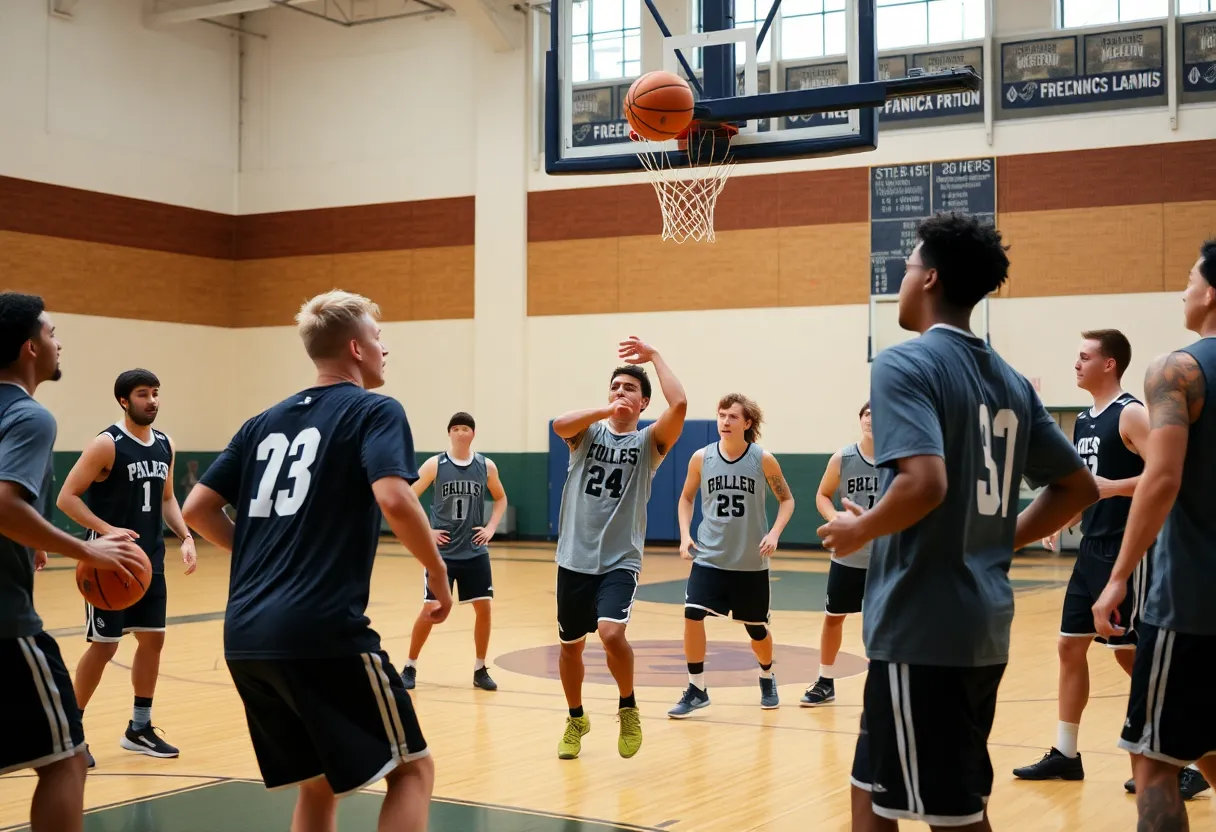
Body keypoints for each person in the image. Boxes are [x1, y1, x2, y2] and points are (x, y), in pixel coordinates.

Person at [818, 213, 1099, 831]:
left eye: (909, 267)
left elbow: (926, 483)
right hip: (969, 624)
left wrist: (860, 530)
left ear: (931, 278)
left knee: (955, 817)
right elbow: (1077, 486)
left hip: (926, 627)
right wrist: (996, 538)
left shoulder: (904, 364)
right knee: (869, 793)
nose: (902, 278)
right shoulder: (1010, 380)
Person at [181, 290, 452, 832]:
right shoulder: (376, 410)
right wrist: (438, 573)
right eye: (378, 338)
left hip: (246, 636)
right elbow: (396, 499)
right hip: (321, 631)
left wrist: (262, 554)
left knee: (318, 781)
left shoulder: (261, 422)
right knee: (413, 771)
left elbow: (197, 508)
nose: (385, 348)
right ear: (356, 348)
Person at [1013, 331, 1209, 798]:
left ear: (1109, 364)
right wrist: (1064, 517)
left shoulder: (1132, 414)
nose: (1076, 363)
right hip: (1091, 549)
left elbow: (1163, 474)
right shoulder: (1083, 421)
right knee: (1069, 646)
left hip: (1128, 550)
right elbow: (1086, 486)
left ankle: (1181, 756)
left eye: (1084, 356)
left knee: (1131, 655)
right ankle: (1066, 753)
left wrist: (1112, 487)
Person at [0, 292, 146, 832]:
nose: (59, 342)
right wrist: (87, 547)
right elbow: (4, 504)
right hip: (6, 626)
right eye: (53, 333)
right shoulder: (29, 416)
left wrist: (25, 537)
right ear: (29, 348)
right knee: (67, 756)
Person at [1094, 239, 1216, 831]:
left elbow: (1162, 477)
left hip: (1194, 601)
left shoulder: (1179, 370)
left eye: (1190, 280)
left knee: (1154, 761)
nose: (1183, 291)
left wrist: (1118, 577)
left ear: (1211, 292)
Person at [551, 337, 686, 760]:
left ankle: (627, 706)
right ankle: (576, 718)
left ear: (645, 402)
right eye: (615, 387)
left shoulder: (649, 444)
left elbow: (679, 406)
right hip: (574, 557)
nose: (621, 393)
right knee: (570, 647)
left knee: (610, 633)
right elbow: (559, 424)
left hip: (619, 560)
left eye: (630, 389)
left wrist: (655, 357)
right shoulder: (586, 434)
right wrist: (607, 410)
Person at [58, 369, 197, 766]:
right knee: (104, 647)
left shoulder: (165, 444)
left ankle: (139, 728)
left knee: (153, 641)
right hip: (107, 562)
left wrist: (185, 536)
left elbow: (168, 498)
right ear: (124, 400)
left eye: (155, 393)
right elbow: (67, 498)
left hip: (148, 562)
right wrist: (106, 530)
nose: (152, 400)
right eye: (142, 394)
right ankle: (71, 735)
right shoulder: (107, 444)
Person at [668, 393, 794, 717]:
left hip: (749, 561)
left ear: (747, 423)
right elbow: (685, 498)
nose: (725, 421)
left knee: (756, 629)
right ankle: (697, 688)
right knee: (692, 614)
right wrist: (684, 536)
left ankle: (767, 675)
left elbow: (787, 500)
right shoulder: (701, 457)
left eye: (732, 416)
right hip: (710, 556)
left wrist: (774, 533)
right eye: (721, 415)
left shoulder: (763, 459)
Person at [403, 411, 508, 691]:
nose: (461, 432)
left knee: (484, 609)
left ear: (473, 434)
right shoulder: (434, 464)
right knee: (430, 609)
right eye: (456, 428)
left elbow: (500, 498)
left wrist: (491, 527)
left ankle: (480, 668)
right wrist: (427, 531)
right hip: (442, 554)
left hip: (474, 551)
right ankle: (410, 665)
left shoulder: (486, 466)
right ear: (449, 433)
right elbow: (408, 497)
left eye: (466, 428)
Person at [802, 400, 878, 707]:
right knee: (834, 617)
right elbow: (822, 495)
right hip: (848, 555)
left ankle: (881, 682)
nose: (872, 420)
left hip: (886, 558)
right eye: (867, 415)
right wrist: (836, 519)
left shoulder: (899, 461)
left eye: (879, 415)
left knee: (880, 622)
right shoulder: (843, 458)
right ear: (859, 419)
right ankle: (824, 680)